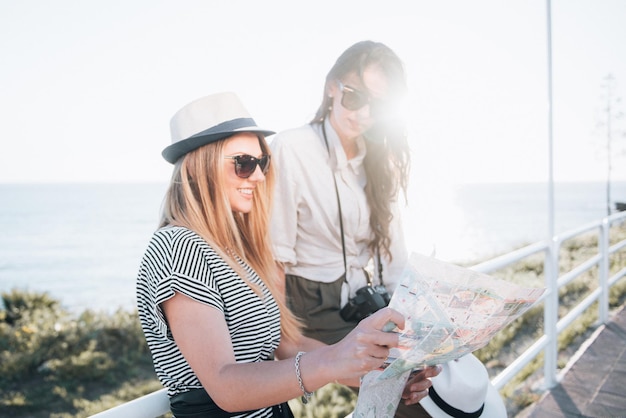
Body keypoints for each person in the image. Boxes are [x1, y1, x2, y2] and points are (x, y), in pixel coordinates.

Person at [136, 91, 426, 418]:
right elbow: (225, 386)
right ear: (197, 169)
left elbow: (289, 347)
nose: (259, 176)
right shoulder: (178, 246)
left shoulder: (238, 254)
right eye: (244, 163)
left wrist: (384, 372)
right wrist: (336, 357)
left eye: (262, 162)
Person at [269, 40, 440, 417]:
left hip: (360, 300)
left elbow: (395, 260)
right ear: (332, 87)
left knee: (423, 379)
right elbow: (273, 257)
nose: (363, 113)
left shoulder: (379, 162)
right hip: (307, 305)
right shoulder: (291, 149)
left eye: (376, 105)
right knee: (401, 390)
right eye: (354, 96)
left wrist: (415, 335)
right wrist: (285, 340)